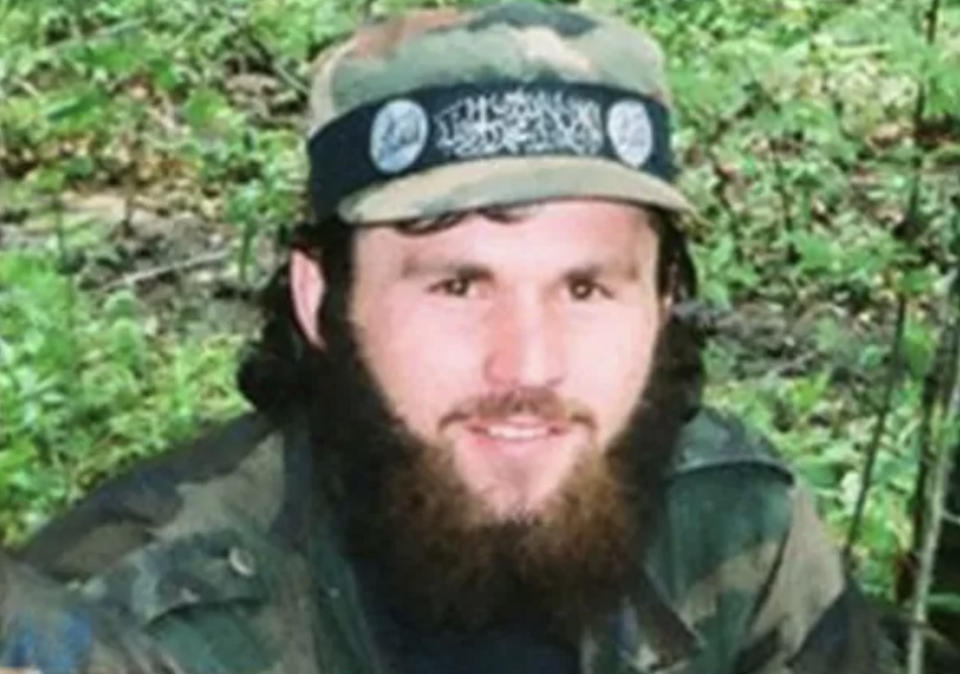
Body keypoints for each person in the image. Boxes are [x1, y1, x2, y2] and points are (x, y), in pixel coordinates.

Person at [0, 3, 894, 673]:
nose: (529, 363)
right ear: (322, 297)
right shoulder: (129, 620)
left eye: (586, 286)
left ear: (662, 303)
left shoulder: (733, 522)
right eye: (458, 284)